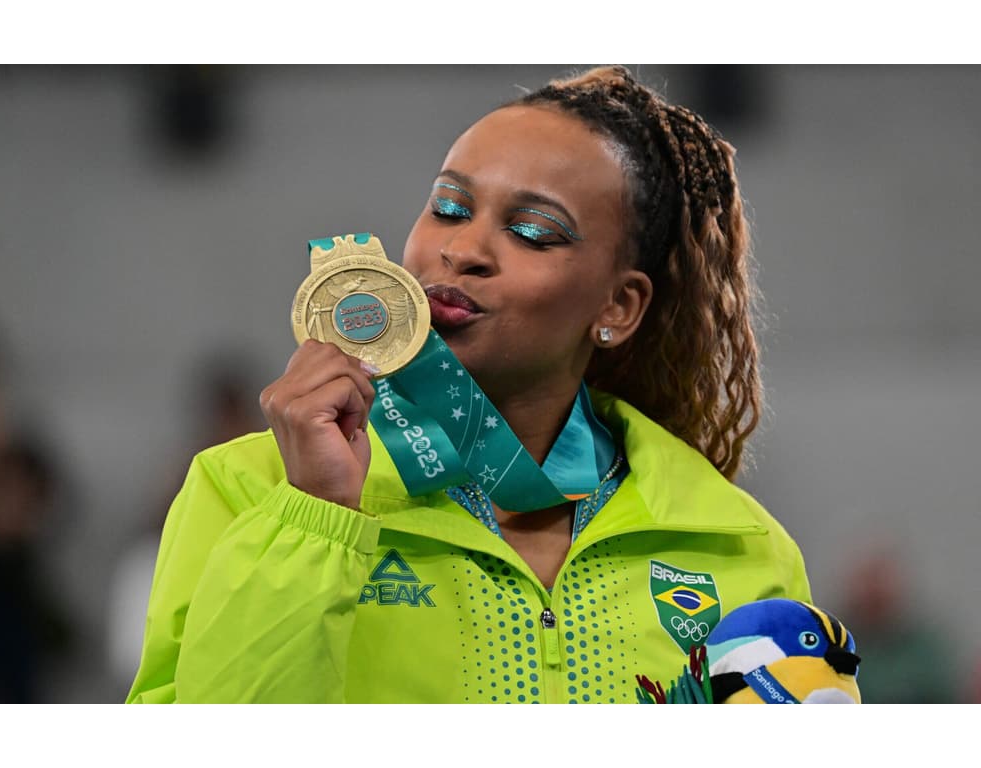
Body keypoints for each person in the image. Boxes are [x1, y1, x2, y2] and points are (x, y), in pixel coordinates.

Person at [127, 66, 811, 704]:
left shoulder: (738, 547)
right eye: (450, 208)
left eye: (532, 231)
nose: (464, 250)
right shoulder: (246, 490)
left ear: (618, 307)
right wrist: (314, 520)